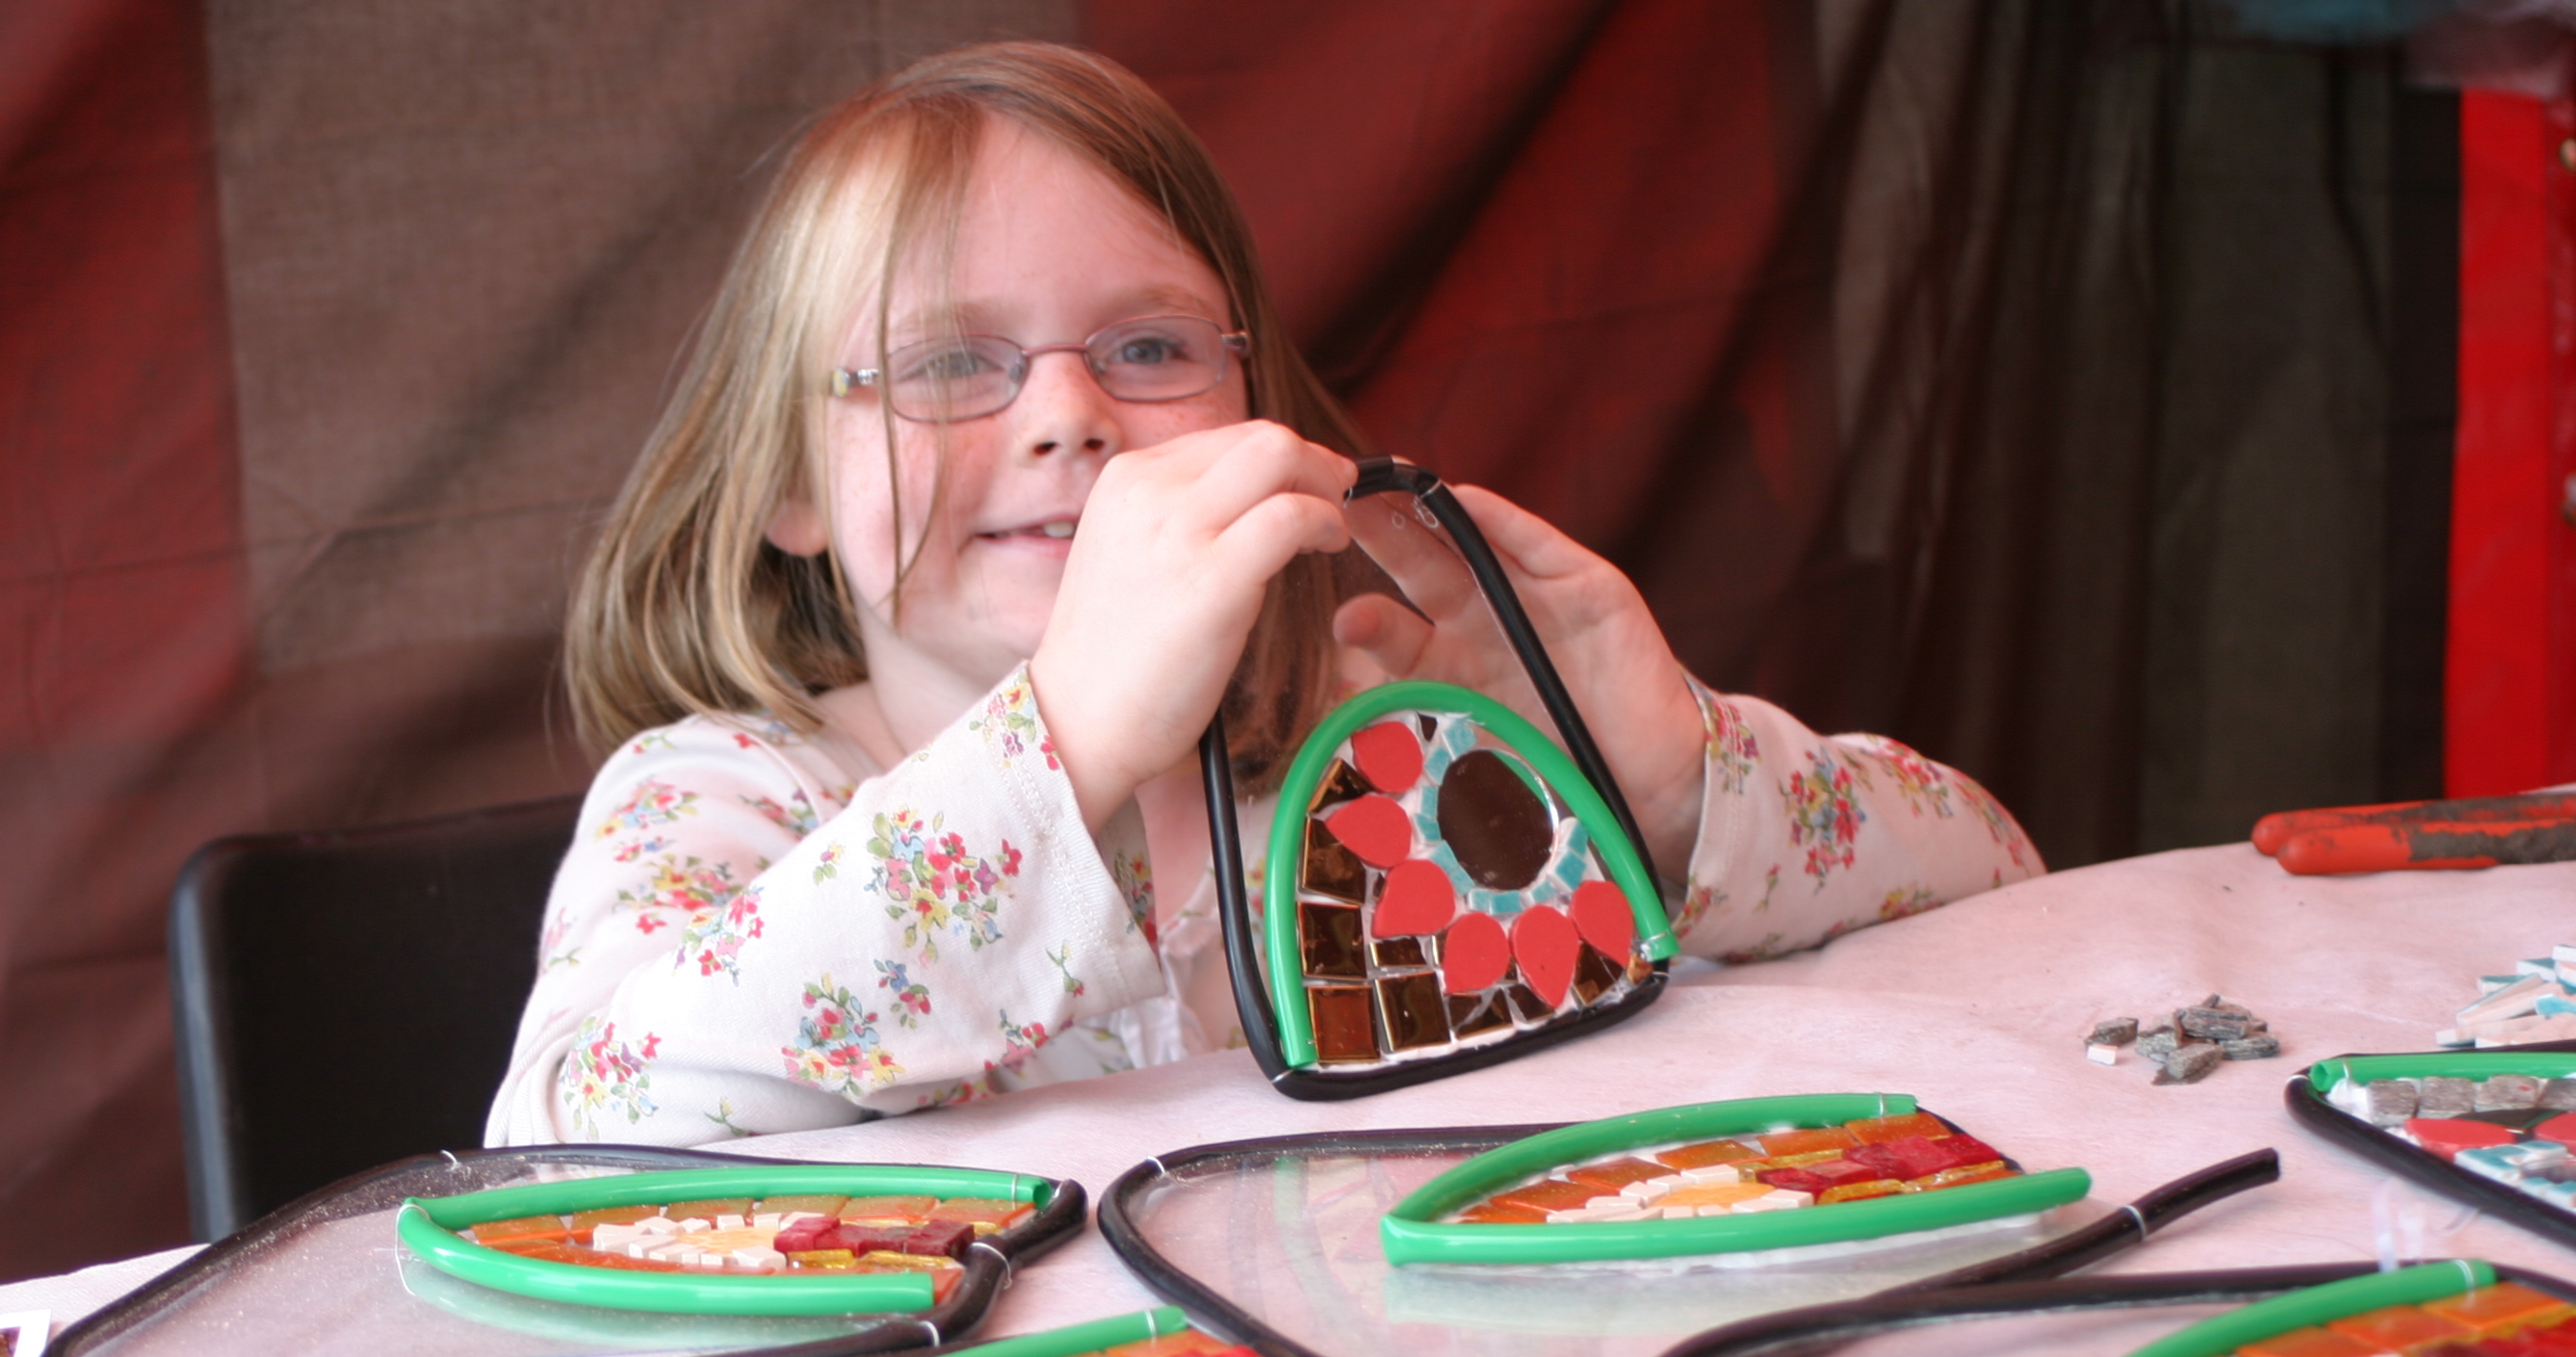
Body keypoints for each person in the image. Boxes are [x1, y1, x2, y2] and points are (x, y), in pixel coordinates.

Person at [484, 42, 2040, 1147]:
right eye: (953, 364)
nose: (1068, 414)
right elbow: (580, 1130)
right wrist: (1065, 739)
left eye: (1150, 349)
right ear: (790, 486)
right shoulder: (725, 797)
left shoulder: (1373, 749)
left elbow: (2000, 886)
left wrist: (1669, 782)